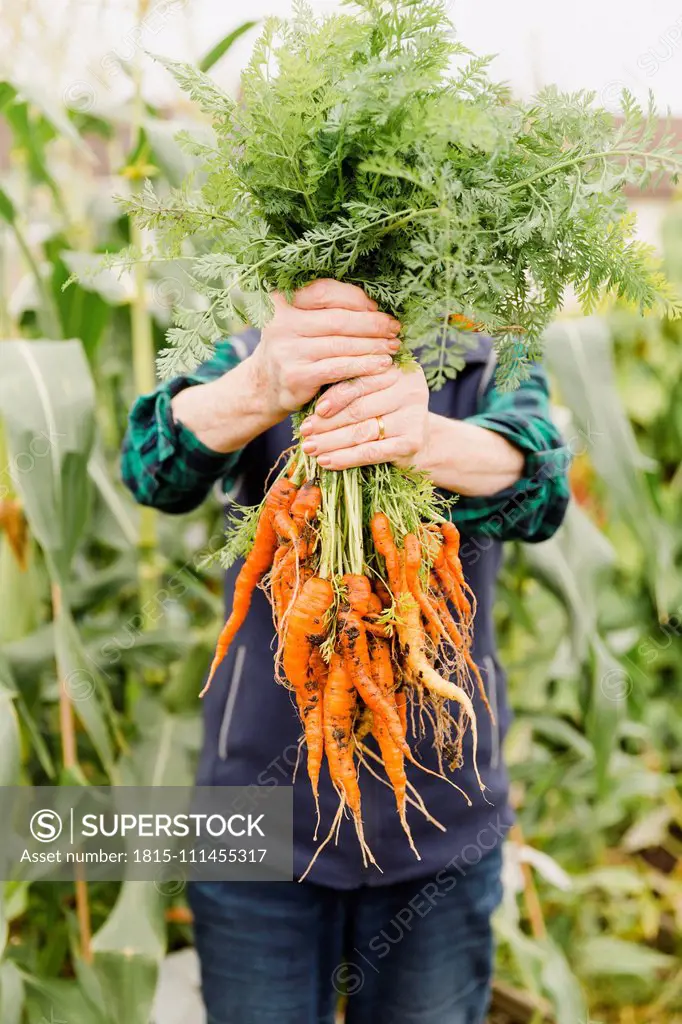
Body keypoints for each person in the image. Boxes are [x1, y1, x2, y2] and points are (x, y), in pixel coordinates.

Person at [122, 279, 569, 1024]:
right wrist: (264, 385)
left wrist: (422, 437)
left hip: (441, 824)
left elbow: (545, 483)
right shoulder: (265, 356)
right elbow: (151, 466)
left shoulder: (489, 366)